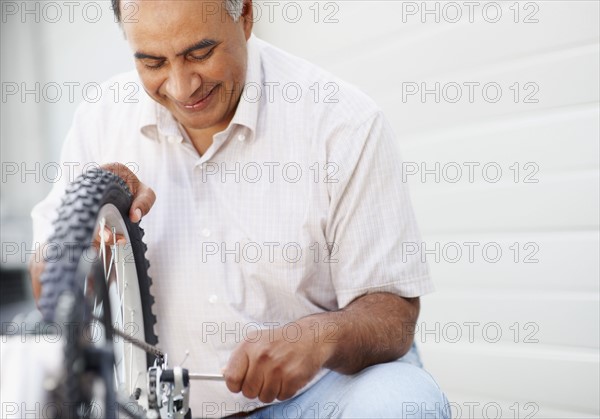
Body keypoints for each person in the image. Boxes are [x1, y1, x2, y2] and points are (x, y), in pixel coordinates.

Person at [30, 0, 450, 417]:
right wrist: (84, 227)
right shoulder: (101, 121)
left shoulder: (342, 123)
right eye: (153, 63)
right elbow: (47, 290)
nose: (181, 86)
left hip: (313, 401)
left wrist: (319, 337)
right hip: (160, 410)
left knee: (401, 400)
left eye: (200, 53)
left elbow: (394, 318)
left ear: (245, 15)